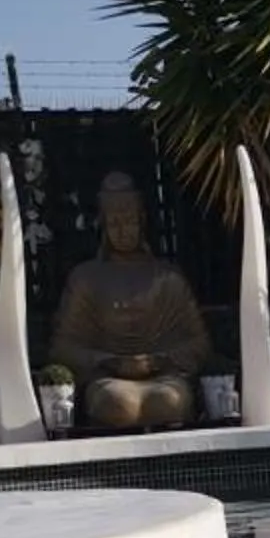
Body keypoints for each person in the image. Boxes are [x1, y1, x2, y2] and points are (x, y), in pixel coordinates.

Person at [48, 172, 210, 429]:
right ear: (104, 226)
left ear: (142, 222)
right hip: (109, 380)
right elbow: (63, 347)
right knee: (117, 403)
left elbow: (199, 344)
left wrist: (157, 361)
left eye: (129, 222)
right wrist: (108, 361)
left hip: (163, 376)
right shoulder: (86, 278)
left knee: (169, 400)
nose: (123, 231)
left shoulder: (167, 278)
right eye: (115, 223)